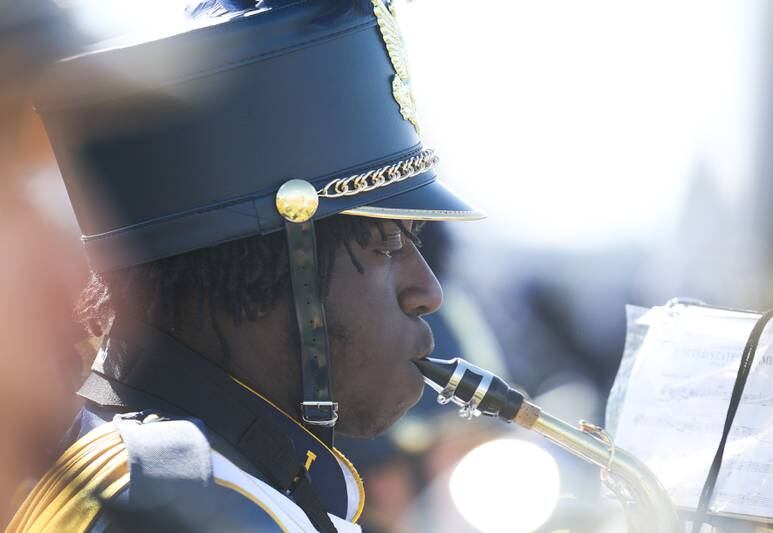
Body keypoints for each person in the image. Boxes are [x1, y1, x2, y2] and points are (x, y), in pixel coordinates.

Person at [6, 0, 484, 531]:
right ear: (271, 267)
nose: (428, 291)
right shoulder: (189, 501)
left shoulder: (211, 487)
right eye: (385, 243)